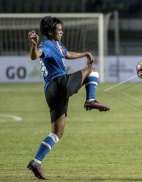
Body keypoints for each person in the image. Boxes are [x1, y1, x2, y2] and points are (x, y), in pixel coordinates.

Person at [26, 16, 110, 180]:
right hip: (59, 83)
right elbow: (36, 55)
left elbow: (67, 53)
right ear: (51, 32)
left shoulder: (57, 45)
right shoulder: (47, 45)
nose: (62, 32)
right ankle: (91, 99)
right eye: (59, 30)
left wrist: (85, 53)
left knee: (57, 133)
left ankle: (36, 162)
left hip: (50, 92)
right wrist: (34, 46)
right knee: (91, 71)